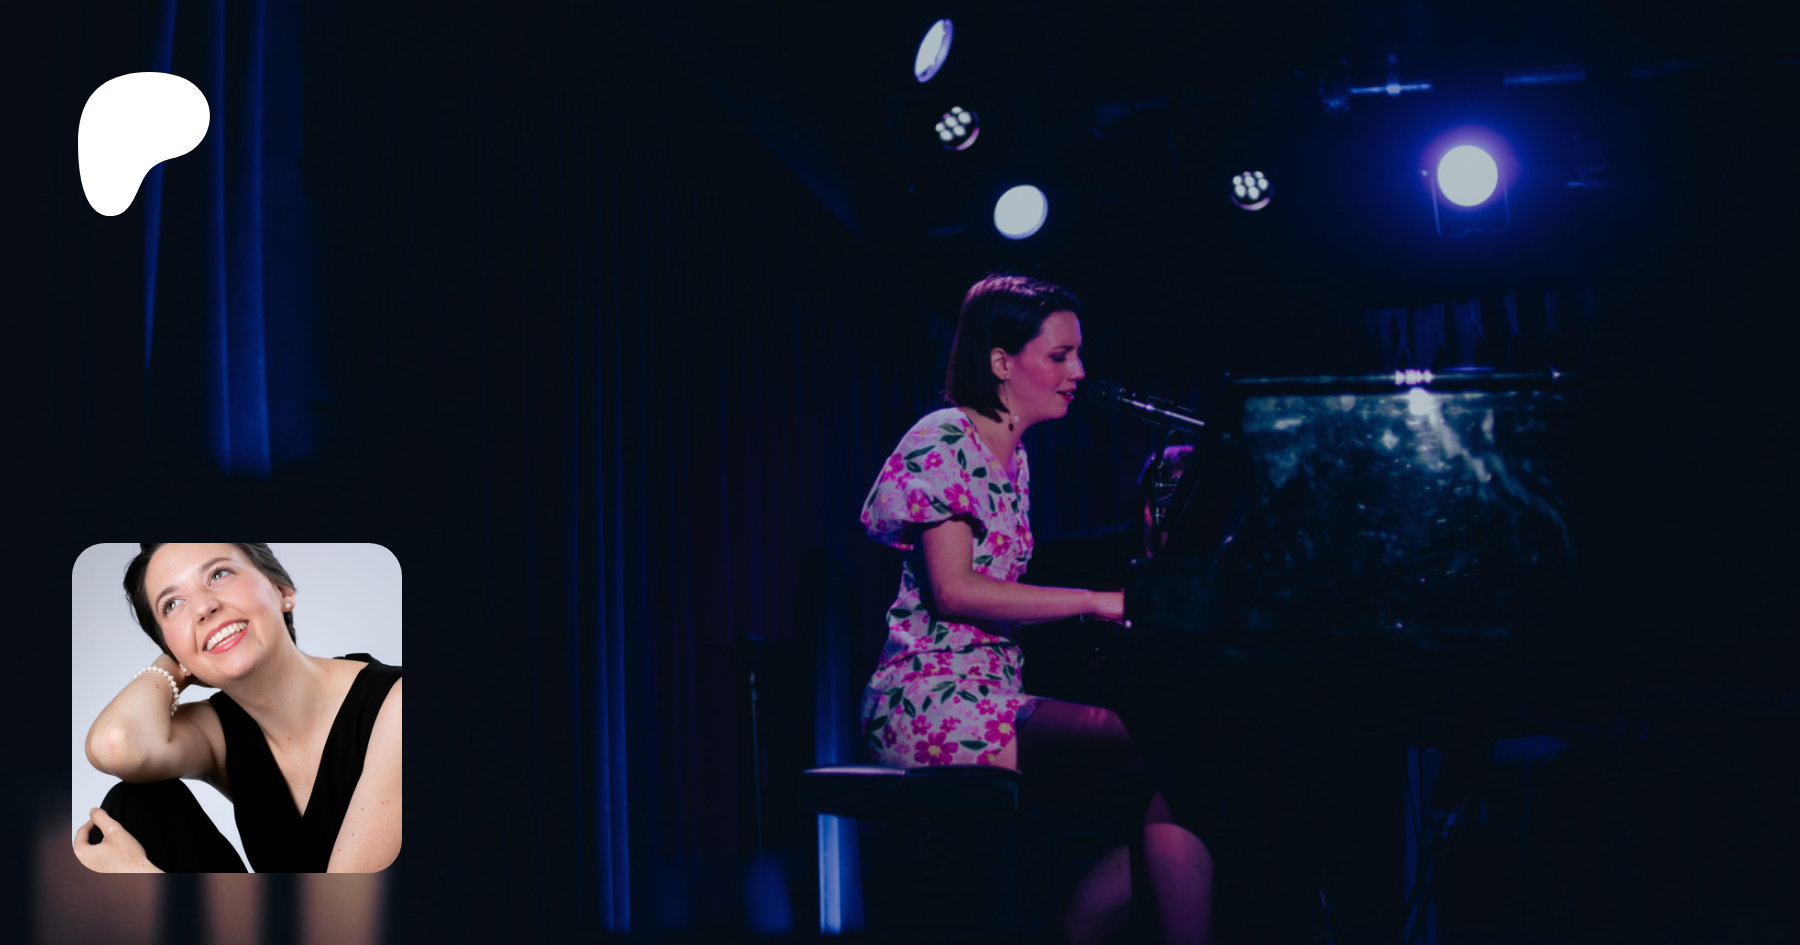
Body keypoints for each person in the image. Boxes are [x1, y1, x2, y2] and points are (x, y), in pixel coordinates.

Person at [859, 274, 1214, 945]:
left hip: (991, 693)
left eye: (1078, 354)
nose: (1079, 371)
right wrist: (1096, 602)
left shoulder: (1014, 458)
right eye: (1060, 355)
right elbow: (955, 590)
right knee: (1172, 755)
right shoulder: (945, 436)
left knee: (1182, 770)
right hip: (929, 700)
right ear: (1001, 362)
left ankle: (1069, 930)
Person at [76, 543, 402, 873]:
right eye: (172, 604)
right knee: (135, 805)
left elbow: (346, 907)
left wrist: (138, 875)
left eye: (219, 574)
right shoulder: (220, 732)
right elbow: (116, 745)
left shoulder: (398, 706)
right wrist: (176, 663)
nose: (203, 608)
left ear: (282, 590)